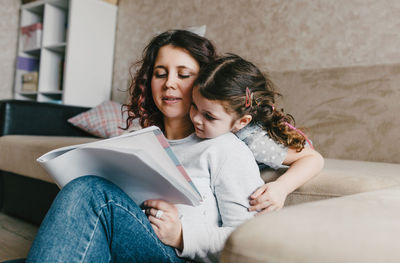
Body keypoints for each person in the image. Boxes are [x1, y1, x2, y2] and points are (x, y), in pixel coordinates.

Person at [27, 30, 264, 263]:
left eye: (183, 75)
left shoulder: (225, 149)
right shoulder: (137, 139)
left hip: (179, 256)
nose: (169, 83)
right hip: (124, 245)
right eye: (160, 74)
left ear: (204, 82)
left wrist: (182, 235)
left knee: (90, 191)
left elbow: (247, 240)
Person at [189, 53, 324, 214]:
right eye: (194, 106)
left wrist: (281, 188)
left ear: (242, 122)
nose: (196, 118)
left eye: (209, 116)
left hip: (289, 151)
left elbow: (313, 159)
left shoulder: (254, 142)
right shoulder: (214, 124)